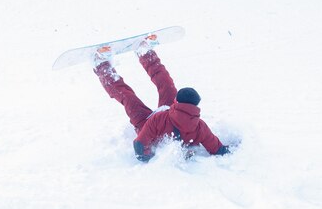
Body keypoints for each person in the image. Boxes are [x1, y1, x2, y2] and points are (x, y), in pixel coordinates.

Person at [93, 35, 232, 162]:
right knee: (166, 84)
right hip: (166, 114)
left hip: (146, 124)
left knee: (128, 97)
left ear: (177, 102)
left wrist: (149, 157)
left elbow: (140, 145)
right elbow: (217, 149)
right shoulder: (200, 126)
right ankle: (144, 52)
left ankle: (102, 65)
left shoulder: (159, 120)